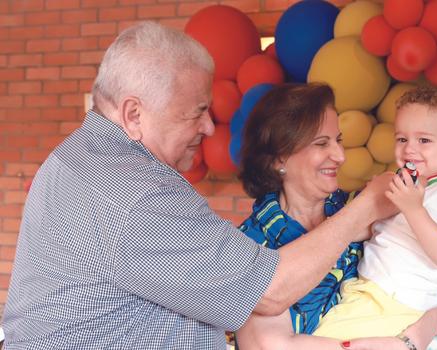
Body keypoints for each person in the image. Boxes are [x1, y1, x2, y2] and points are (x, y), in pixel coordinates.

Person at [2, 22, 395, 350]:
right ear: (134, 114)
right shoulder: (139, 192)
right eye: (196, 113)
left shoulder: (73, 157)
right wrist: (362, 211)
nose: (209, 127)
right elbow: (269, 291)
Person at [235, 83, 437, 350]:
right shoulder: (253, 245)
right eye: (321, 143)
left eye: (338, 140)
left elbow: (436, 283)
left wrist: (410, 342)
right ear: (279, 157)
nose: (340, 156)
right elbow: (270, 345)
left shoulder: (356, 203)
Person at [312, 84, 437, 341]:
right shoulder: (410, 187)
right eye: (402, 139)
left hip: (394, 302)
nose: (409, 149)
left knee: (320, 341)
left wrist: (413, 209)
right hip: (373, 293)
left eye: (424, 140)